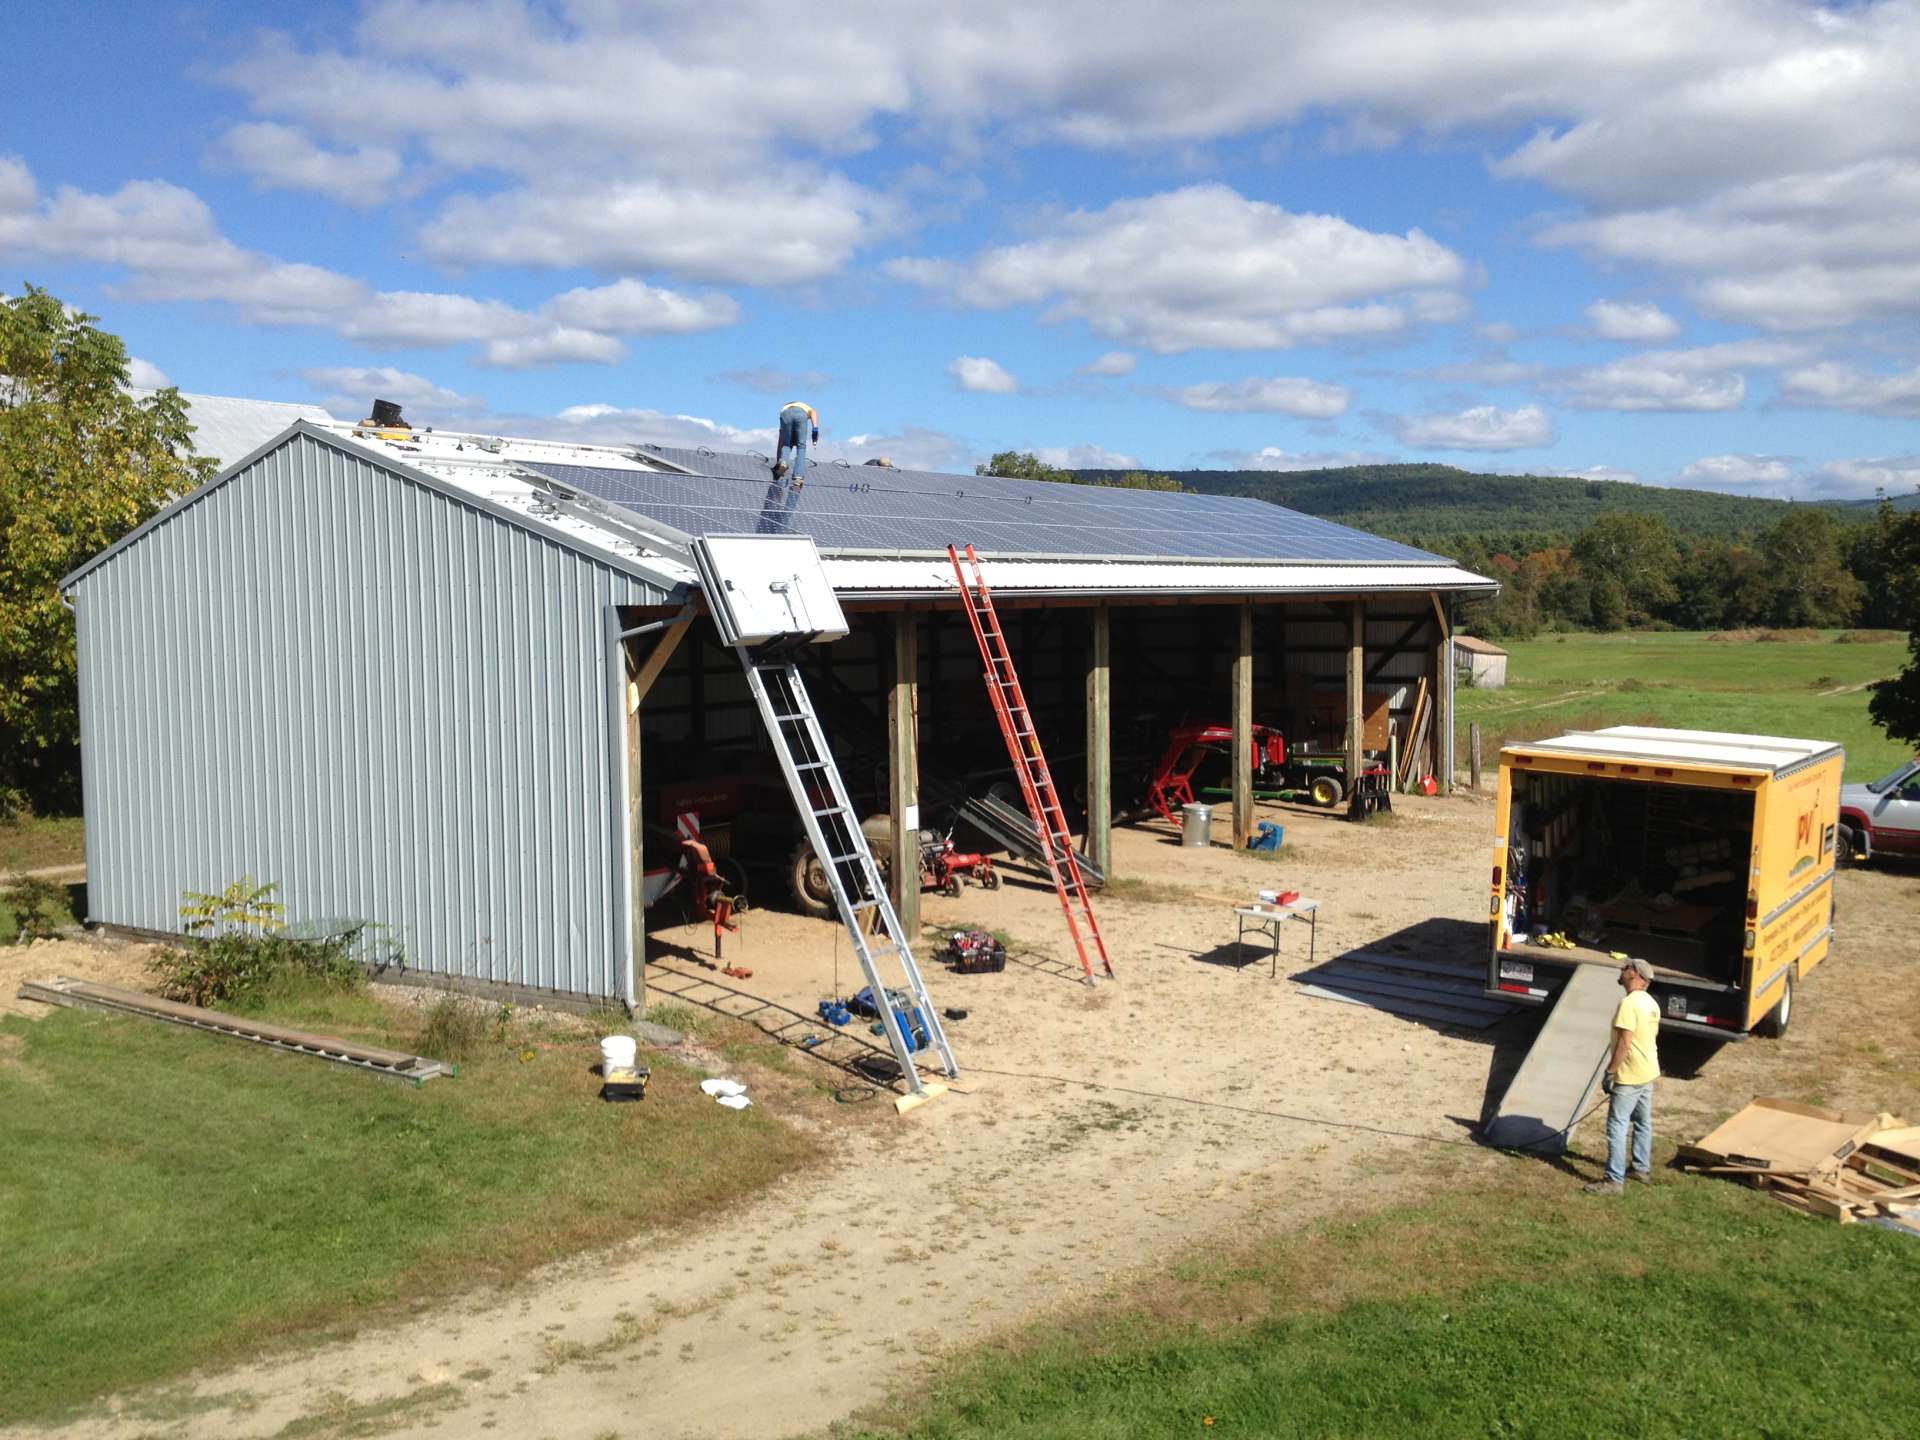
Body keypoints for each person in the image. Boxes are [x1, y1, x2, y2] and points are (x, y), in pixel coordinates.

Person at [1585, 957, 1660, 1195]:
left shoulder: (1629, 1004)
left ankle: (1614, 1180)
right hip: (1648, 1070)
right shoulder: (1651, 1003)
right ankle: (1641, 1168)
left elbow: (1625, 1043)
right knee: (1643, 1121)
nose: (1622, 969)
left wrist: (1610, 1072)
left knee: (1617, 1126)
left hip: (1630, 1074)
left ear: (1636, 975)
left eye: (1626, 967)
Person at [772, 401, 818, 485]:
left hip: (785, 415)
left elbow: (780, 442)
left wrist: (779, 461)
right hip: (800, 415)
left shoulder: (785, 408)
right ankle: (798, 476)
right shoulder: (804, 406)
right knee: (801, 446)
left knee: (786, 444)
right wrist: (815, 429)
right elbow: (813, 412)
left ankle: (783, 462)